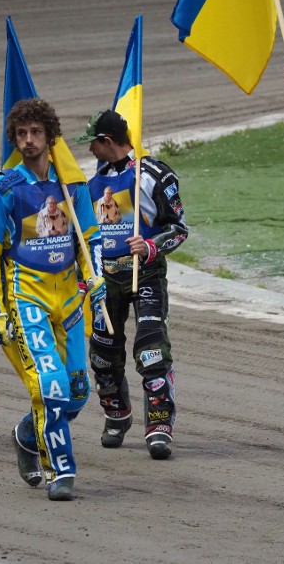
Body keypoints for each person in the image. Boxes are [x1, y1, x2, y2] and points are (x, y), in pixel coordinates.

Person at [0, 98, 105, 501]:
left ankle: (26, 435)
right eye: (21, 134)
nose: (29, 141)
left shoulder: (73, 184)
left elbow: (90, 239)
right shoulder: (0, 191)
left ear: (50, 137)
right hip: (25, 296)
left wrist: (95, 280)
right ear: (13, 138)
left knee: (78, 391)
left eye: (36, 133)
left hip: (68, 300)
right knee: (51, 387)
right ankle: (60, 471)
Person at [75, 110, 188, 460]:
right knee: (103, 354)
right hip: (105, 280)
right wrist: (82, 281)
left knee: (152, 350)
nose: (89, 149)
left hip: (146, 273)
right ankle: (116, 414)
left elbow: (179, 228)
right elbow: (84, 240)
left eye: (92, 143)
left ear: (107, 141)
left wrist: (151, 246)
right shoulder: (91, 184)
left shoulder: (154, 173)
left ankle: (159, 425)